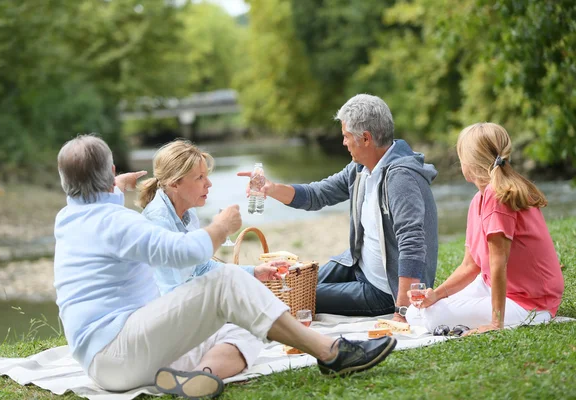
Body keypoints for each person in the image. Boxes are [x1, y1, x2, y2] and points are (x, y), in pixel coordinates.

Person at [54, 134, 397, 399]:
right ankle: (330, 353)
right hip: (119, 351)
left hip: (114, 361)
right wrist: (221, 227)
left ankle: (201, 378)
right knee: (227, 279)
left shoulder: (69, 218)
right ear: (111, 172)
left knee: (248, 327)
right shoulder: (116, 222)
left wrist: (114, 187)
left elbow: (94, 208)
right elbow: (181, 254)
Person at [238, 94, 438, 324]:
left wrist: (402, 311)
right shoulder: (360, 169)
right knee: (292, 284)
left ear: (365, 138)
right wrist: (271, 188)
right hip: (355, 266)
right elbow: (317, 194)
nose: (343, 142)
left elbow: (412, 242)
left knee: (291, 296)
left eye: (346, 136)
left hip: (385, 291)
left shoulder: (401, 178)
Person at [137, 139, 277, 380]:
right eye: (199, 177)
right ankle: (199, 375)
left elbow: (201, 265)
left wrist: (253, 272)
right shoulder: (158, 220)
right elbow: (174, 288)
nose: (209, 183)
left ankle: (198, 378)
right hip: (162, 323)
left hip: (180, 313)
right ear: (175, 182)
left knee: (250, 327)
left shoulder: (186, 211)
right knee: (249, 329)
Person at [406, 122, 564, 334]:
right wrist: (436, 294)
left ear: (469, 164)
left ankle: (502, 317)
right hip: (493, 286)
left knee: (431, 316)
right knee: (415, 312)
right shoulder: (477, 200)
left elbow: (499, 264)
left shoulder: (498, 196)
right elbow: (470, 266)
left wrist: (495, 323)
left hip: (531, 303)